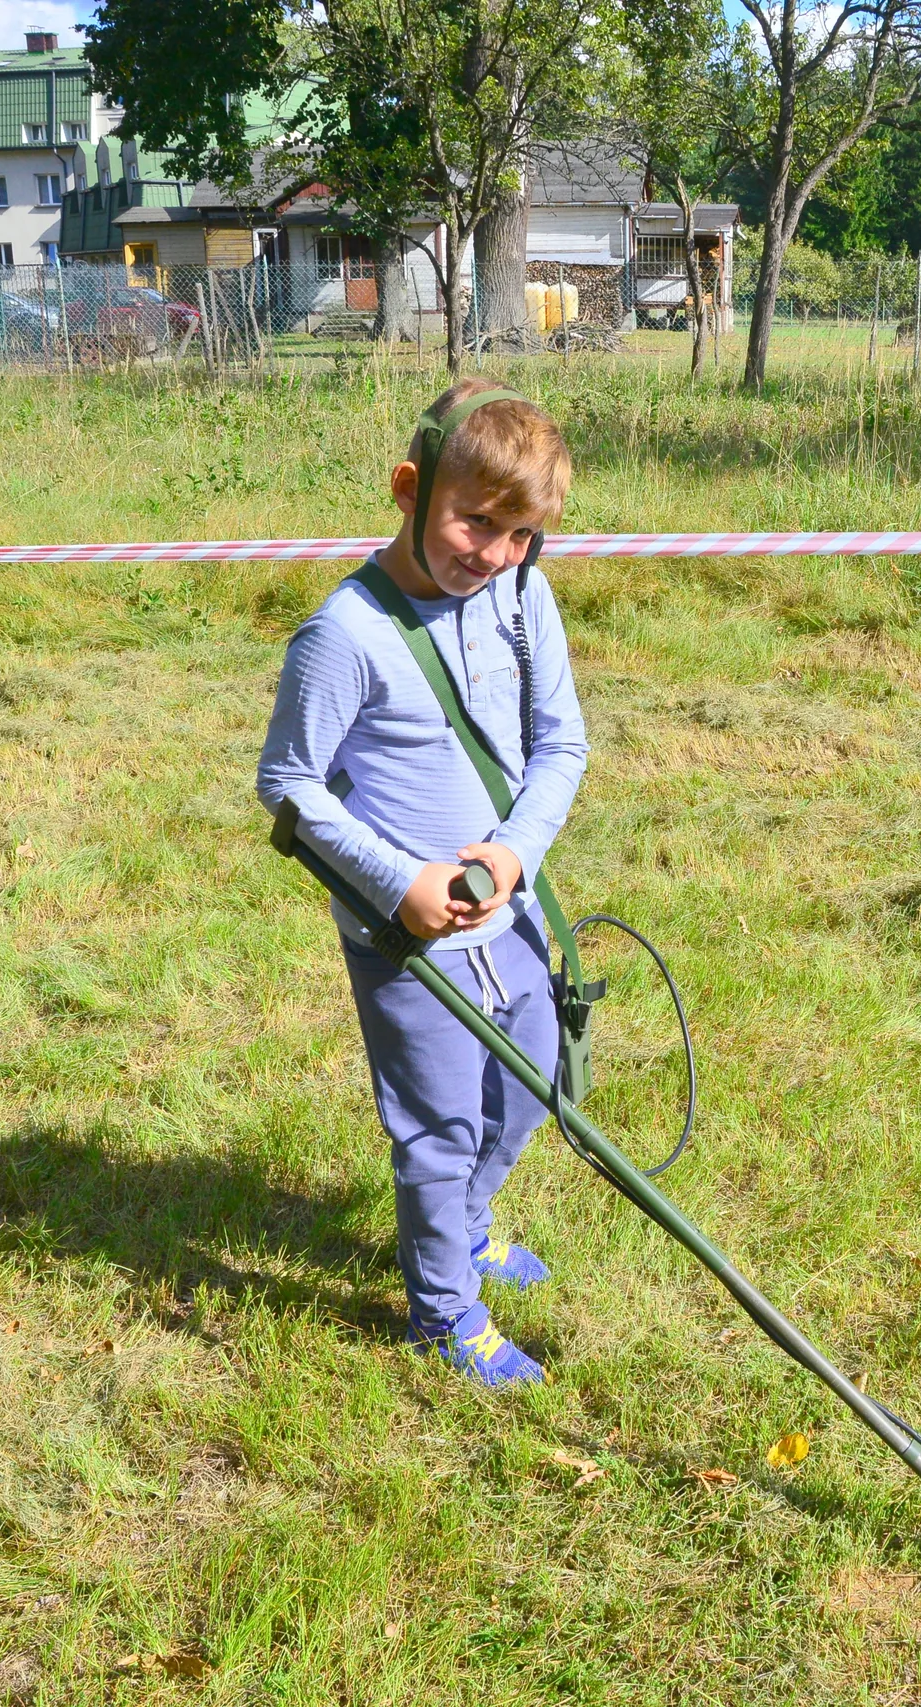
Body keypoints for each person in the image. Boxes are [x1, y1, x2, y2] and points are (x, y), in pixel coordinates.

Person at [257, 381, 586, 1388]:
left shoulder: (522, 596)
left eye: (518, 532)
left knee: (532, 1090)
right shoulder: (344, 636)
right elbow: (290, 786)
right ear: (409, 489)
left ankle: (468, 1228)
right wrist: (401, 883)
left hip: (515, 917)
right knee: (438, 1131)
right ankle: (444, 1315)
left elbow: (559, 746)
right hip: (408, 945)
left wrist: (509, 855)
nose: (488, 552)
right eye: (471, 519)